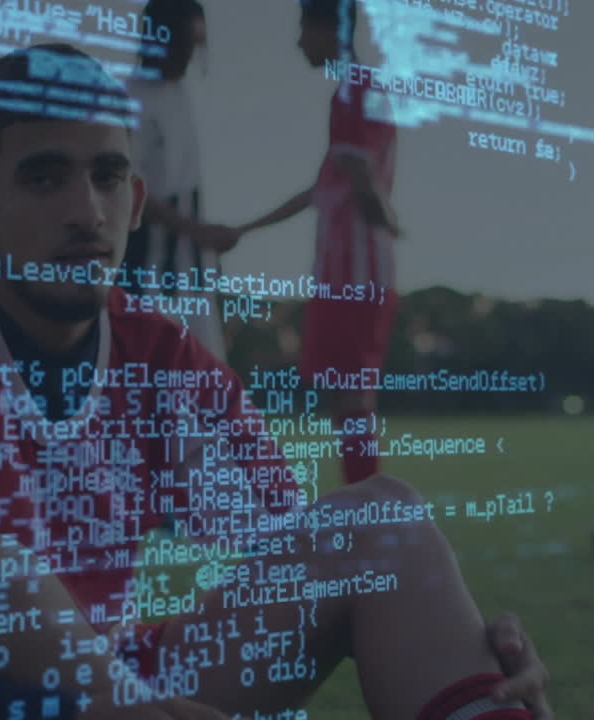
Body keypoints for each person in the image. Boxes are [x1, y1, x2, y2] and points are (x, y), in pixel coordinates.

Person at [0, 43, 554, 720]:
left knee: (382, 521)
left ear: (135, 196)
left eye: (107, 176)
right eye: (45, 177)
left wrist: (463, 648)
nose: (86, 212)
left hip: (123, 685)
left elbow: (301, 558)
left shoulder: (162, 361)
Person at [234, 0, 401, 487]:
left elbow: (357, 169)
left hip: (355, 269)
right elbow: (323, 187)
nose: (299, 42)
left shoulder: (353, 88)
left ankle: (367, 509)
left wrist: (383, 214)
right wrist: (244, 230)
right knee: (346, 396)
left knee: (351, 396)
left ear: (328, 28)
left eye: (303, 28)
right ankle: (362, 501)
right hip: (354, 268)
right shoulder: (362, 88)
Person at [121, 0, 239, 362]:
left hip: (190, 274)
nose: (192, 55)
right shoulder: (129, 98)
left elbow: (187, 184)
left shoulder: (181, 95)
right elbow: (130, 185)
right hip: (145, 270)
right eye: (187, 43)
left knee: (206, 383)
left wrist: (202, 248)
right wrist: (196, 230)